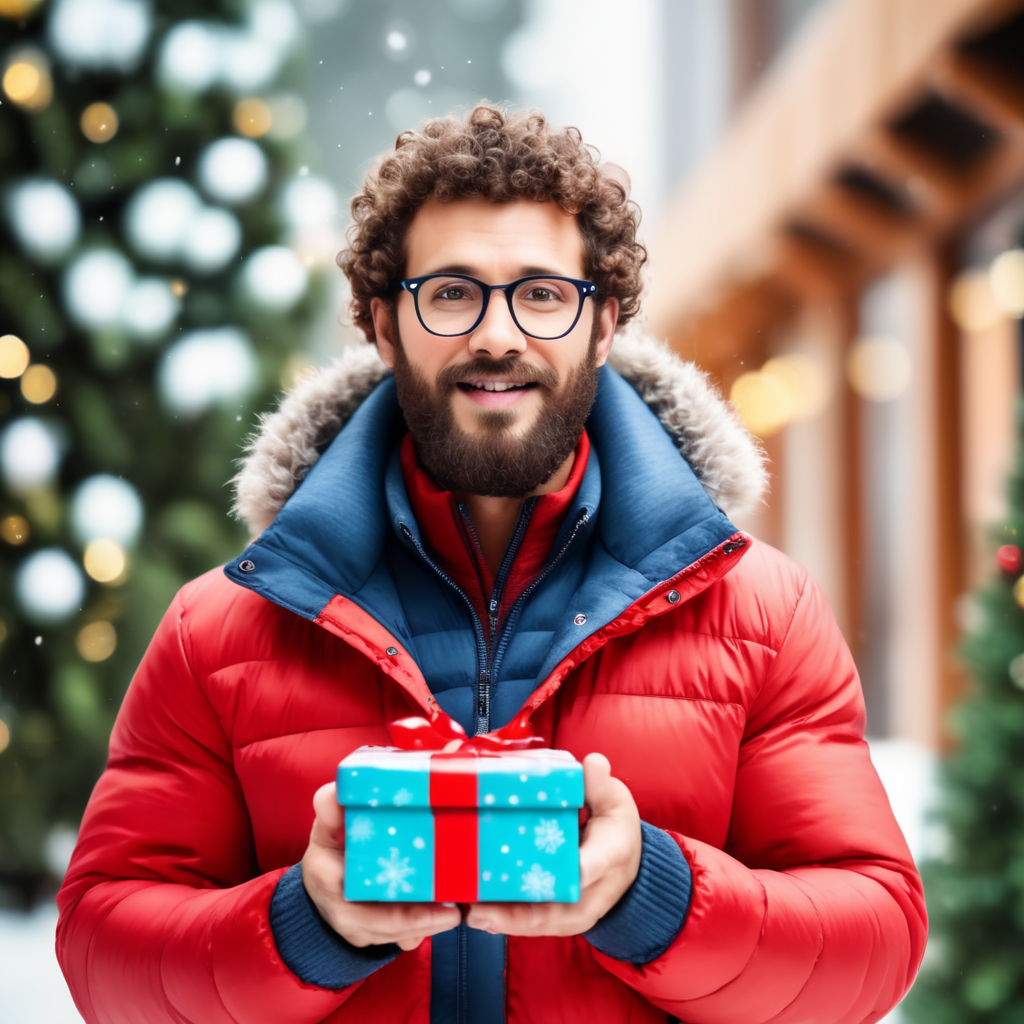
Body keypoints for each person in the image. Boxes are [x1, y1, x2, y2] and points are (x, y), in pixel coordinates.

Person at [56, 105, 927, 1024]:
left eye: (543, 294)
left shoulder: (760, 612)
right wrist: (303, 924)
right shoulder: (220, 631)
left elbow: (874, 942)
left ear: (603, 325)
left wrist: (654, 896)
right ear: (384, 325)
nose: (499, 336)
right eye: (452, 293)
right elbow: (102, 953)